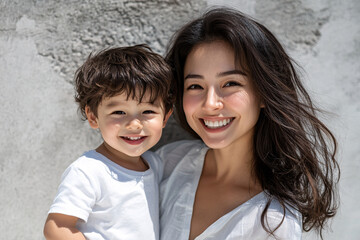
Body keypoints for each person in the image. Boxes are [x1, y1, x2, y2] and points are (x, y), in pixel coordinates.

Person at [158, 7, 339, 240]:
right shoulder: (166, 165)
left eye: (230, 83)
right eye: (195, 86)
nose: (210, 103)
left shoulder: (274, 222)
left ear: (263, 93)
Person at [43, 45, 173, 240]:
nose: (134, 124)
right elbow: (57, 227)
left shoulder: (154, 163)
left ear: (165, 117)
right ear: (93, 117)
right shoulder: (89, 171)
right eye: (119, 112)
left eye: (148, 111)